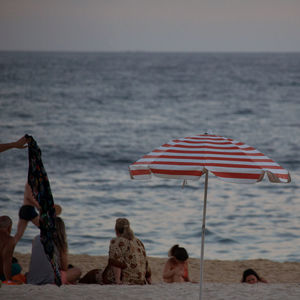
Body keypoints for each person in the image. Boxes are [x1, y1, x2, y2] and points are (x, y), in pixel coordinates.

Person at [80, 218, 152, 285]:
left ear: (116, 229)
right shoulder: (138, 241)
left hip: (126, 279)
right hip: (140, 280)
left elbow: (116, 262)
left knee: (92, 274)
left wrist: (118, 280)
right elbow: (145, 261)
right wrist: (148, 278)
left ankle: (78, 283)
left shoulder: (117, 241)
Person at [26, 217, 81, 285]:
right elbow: (64, 267)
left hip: (32, 278)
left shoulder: (36, 238)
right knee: (77, 271)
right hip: (51, 280)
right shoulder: (60, 243)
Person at [0, 216, 19, 284]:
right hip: (1, 273)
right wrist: (9, 280)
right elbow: (7, 262)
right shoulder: (9, 240)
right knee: (17, 267)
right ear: (9, 227)